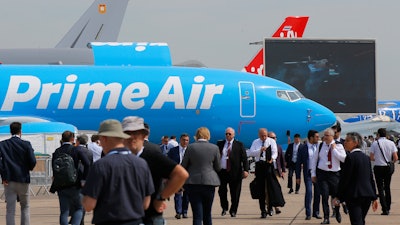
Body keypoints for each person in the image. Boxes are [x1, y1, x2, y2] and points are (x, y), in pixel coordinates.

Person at [82, 119, 154, 225]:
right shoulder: (141, 164)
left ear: (104, 138)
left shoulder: (100, 165)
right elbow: (146, 203)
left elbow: (89, 205)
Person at [122, 116, 189, 225]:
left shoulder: (152, 156)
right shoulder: (119, 157)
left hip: (150, 218)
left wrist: (161, 198)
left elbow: (181, 174)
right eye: (127, 134)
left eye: (136, 134)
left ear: (143, 136)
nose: (131, 137)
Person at [333, 132, 378, 225]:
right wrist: (374, 197)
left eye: (348, 140)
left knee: (356, 222)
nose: (345, 142)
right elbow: (370, 178)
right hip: (367, 195)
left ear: (355, 143)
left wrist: (338, 196)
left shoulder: (350, 157)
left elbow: (345, 179)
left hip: (355, 196)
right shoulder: (366, 158)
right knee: (361, 221)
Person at [181, 127, 221, 225]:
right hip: (209, 182)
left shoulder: (190, 147)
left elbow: (183, 166)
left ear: (197, 135)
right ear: (208, 135)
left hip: (193, 183)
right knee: (207, 214)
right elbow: (218, 167)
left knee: (197, 215)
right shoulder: (214, 148)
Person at [0, 122, 37, 225]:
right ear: (20, 132)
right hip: (23, 178)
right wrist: (28, 168)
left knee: (10, 209)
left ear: (10, 131)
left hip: (9, 179)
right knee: (25, 206)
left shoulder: (3, 144)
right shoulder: (26, 144)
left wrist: (3, 176)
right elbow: (32, 161)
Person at [51, 131, 90, 225]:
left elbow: (54, 167)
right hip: (75, 184)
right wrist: (84, 179)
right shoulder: (76, 150)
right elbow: (87, 164)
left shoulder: (57, 151)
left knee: (64, 211)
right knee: (79, 208)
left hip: (61, 185)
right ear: (72, 139)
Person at [311, 128, 346, 224]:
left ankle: (337, 212)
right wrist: (313, 173)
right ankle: (326, 217)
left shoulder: (338, 146)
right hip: (323, 174)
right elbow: (314, 160)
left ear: (332, 136)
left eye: (327, 135)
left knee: (335, 196)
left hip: (334, 174)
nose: (325, 137)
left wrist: (334, 150)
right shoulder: (320, 145)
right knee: (325, 196)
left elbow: (343, 159)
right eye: (324, 135)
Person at [247, 128, 284, 218]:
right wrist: (260, 150)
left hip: (269, 165)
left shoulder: (271, 141)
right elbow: (250, 152)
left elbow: (275, 152)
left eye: (265, 135)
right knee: (261, 188)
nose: (264, 137)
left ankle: (270, 207)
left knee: (270, 187)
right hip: (260, 165)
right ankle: (263, 210)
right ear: (259, 135)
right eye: (262, 136)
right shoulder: (256, 142)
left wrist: (272, 158)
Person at [216, 127, 249, 218]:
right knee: (222, 191)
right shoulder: (220, 144)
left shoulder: (239, 145)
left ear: (233, 135)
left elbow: (244, 158)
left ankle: (233, 210)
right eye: (226, 134)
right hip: (222, 172)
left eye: (229, 134)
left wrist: (246, 170)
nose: (227, 135)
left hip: (235, 172)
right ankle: (224, 207)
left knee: (235, 193)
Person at [369, 128, 398, 215]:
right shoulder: (391, 143)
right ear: (386, 134)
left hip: (378, 167)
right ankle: (388, 206)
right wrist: (391, 163)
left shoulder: (374, 143)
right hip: (387, 167)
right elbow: (396, 157)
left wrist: (377, 159)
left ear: (378, 134)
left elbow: (371, 157)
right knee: (387, 187)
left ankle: (384, 209)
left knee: (380, 188)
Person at [295, 130, 322, 220]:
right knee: (309, 192)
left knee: (318, 193)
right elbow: (298, 163)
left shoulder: (320, 146)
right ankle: (308, 213)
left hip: (318, 174)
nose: (318, 138)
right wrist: (298, 177)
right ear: (311, 138)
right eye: (316, 137)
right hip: (308, 173)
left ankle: (316, 212)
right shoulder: (303, 148)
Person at [167, 133, 190, 219]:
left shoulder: (190, 150)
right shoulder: (173, 151)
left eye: (187, 140)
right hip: (177, 176)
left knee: (187, 195)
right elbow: (169, 162)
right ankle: (178, 212)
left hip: (187, 176)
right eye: (184, 140)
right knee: (177, 194)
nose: (185, 142)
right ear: (180, 140)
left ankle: (185, 212)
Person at [268, 131, 286, 215]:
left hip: (276, 171)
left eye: (274, 138)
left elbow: (282, 159)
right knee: (267, 190)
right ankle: (270, 207)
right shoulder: (265, 147)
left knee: (276, 189)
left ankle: (276, 207)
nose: (273, 139)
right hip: (267, 171)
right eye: (271, 138)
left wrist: (283, 170)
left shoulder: (278, 147)